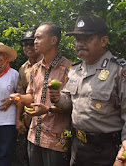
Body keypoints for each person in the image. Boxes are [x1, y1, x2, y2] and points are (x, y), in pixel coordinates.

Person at [49, 15, 126, 166]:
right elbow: (69, 101)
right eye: (78, 39)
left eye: (87, 39)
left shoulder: (119, 71)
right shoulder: (75, 70)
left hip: (108, 150)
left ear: (104, 41)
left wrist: (122, 156)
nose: (80, 44)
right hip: (79, 148)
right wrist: (57, 98)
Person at [13, 22, 72, 166]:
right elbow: (31, 96)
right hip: (34, 135)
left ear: (53, 40)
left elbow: (73, 104)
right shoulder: (34, 69)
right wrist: (18, 97)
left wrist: (47, 110)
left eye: (39, 38)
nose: (35, 42)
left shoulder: (69, 69)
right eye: (35, 39)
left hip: (56, 139)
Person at [15, 30, 42, 165]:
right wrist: (18, 119)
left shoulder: (46, 63)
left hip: (47, 116)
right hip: (29, 116)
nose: (28, 48)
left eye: (31, 44)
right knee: (28, 154)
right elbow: (21, 95)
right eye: (25, 45)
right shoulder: (23, 68)